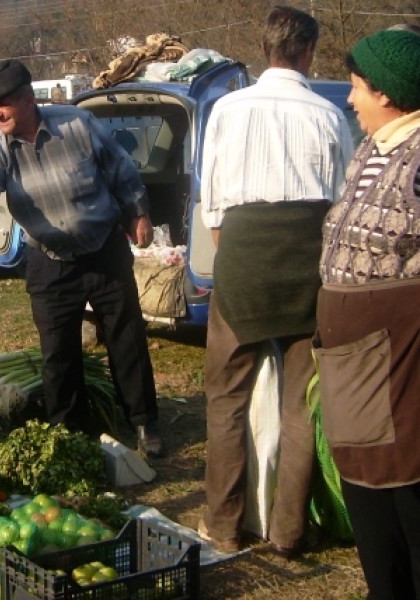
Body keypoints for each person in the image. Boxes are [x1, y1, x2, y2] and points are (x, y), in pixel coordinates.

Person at [198, 5, 354, 556]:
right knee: (297, 409)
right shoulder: (329, 114)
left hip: (242, 261)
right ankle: (288, 533)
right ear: (308, 51)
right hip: (306, 270)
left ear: (266, 48)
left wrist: (237, 262)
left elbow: (211, 204)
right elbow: (342, 206)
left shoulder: (226, 109)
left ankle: (222, 526)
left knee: (226, 403)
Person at [0, 59, 163, 457]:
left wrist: (138, 212)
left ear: (29, 100)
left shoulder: (76, 124)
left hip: (103, 250)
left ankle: (143, 423)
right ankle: (70, 435)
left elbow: (120, 167)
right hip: (49, 261)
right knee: (58, 355)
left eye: (4, 104)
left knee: (126, 340)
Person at [316, 29, 420, 599]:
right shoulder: (371, 150)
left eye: (357, 87)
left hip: (401, 368)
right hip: (357, 365)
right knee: (369, 499)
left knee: (407, 496)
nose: (350, 98)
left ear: (387, 92)